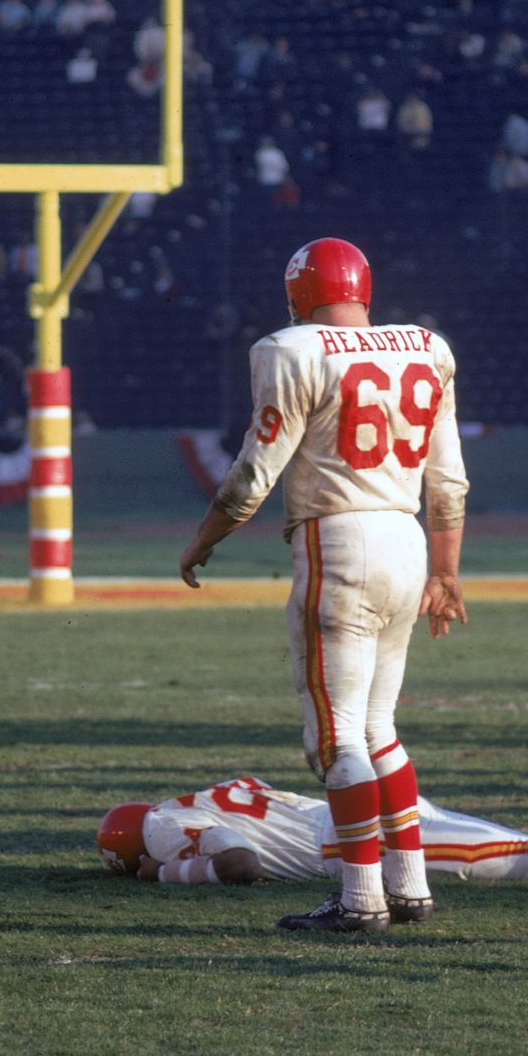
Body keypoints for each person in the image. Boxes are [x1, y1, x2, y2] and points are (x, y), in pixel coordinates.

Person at [178, 238, 469, 933]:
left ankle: (361, 897)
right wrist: (448, 571)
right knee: (379, 728)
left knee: (337, 737)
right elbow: (448, 477)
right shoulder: (427, 346)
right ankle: (410, 885)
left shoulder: (292, 349)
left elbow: (255, 472)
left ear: (297, 295)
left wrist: (205, 537)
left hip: (338, 539)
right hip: (407, 537)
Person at [97, 776, 528, 887]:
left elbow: (239, 863)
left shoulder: (160, 824)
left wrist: (167, 871)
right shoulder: (209, 795)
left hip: (362, 842)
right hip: (363, 817)